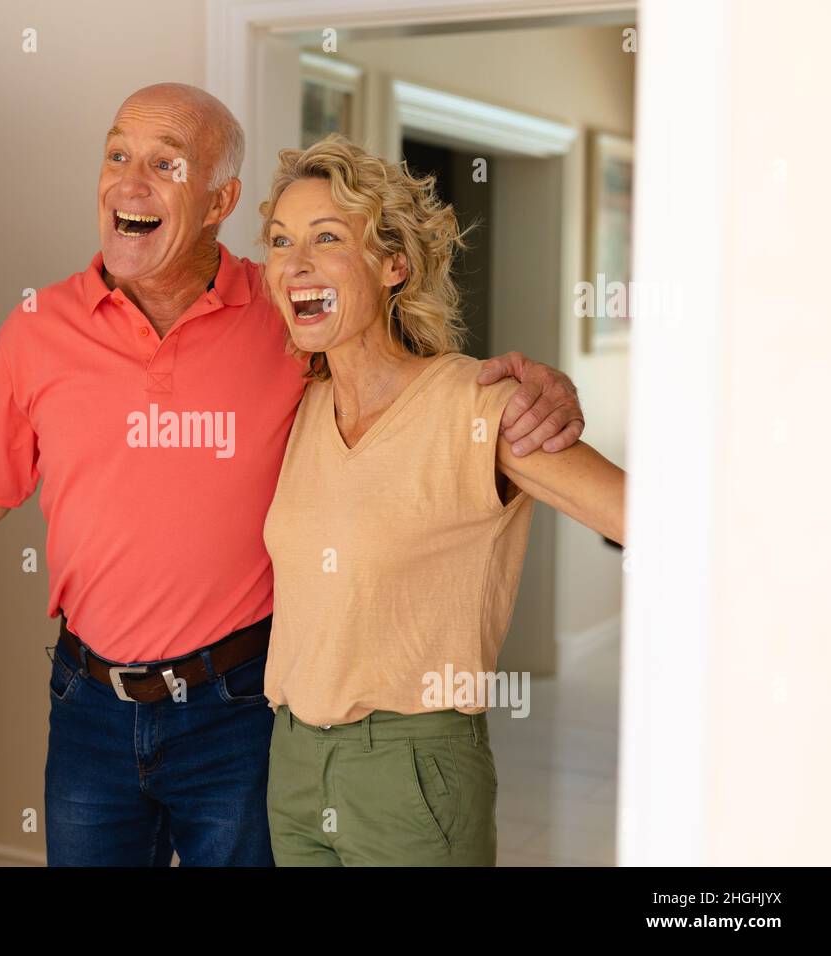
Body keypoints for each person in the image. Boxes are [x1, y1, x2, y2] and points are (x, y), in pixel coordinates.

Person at [0, 83, 587, 866]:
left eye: (165, 164)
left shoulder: (287, 310)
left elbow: (397, 385)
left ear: (219, 202)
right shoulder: (37, 330)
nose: (131, 183)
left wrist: (538, 391)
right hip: (89, 705)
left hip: (239, 706)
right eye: (117, 155)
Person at [257, 133, 625, 866]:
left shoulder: (475, 405)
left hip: (413, 771)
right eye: (279, 240)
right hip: (293, 764)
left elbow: (642, 518)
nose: (295, 263)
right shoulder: (301, 406)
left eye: (326, 238)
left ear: (393, 264)